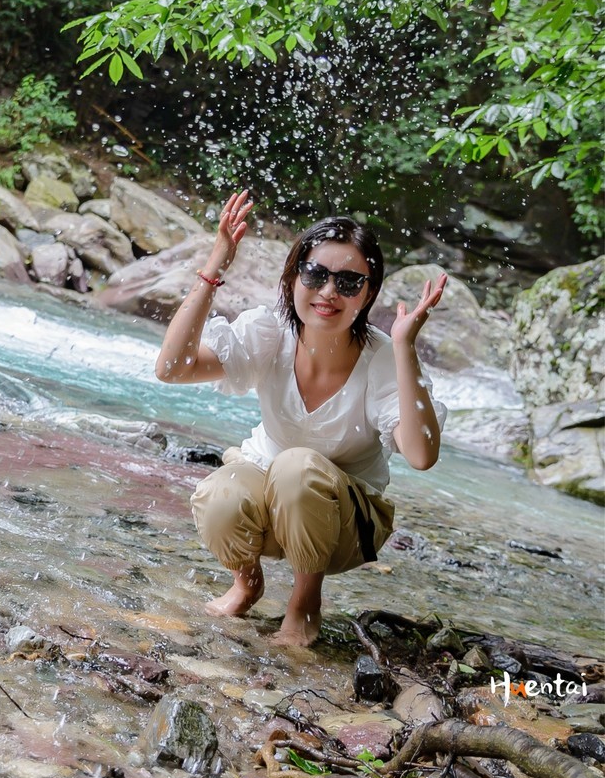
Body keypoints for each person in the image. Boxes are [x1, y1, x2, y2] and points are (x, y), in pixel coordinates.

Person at [155, 190, 447, 647]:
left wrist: (405, 348)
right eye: (316, 274)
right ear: (294, 277)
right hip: (272, 505)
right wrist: (215, 265)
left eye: (350, 282)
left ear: (368, 293)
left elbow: (422, 455)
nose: (330, 292)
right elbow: (171, 369)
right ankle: (246, 583)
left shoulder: (383, 358)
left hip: (347, 526)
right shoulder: (269, 332)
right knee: (222, 490)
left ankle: (304, 602)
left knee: (297, 465)